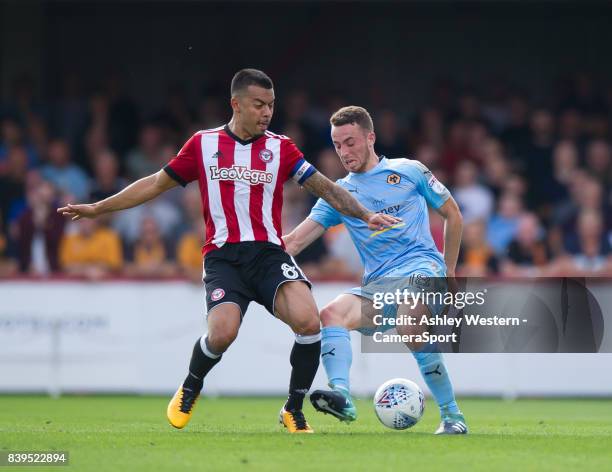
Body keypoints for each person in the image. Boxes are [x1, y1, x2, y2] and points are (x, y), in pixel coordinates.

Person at [57, 69, 397, 433]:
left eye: (271, 105)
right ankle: (190, 387)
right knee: (222, 334)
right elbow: (155, 184)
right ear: (236, 103)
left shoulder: (281, 147)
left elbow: (325, 187)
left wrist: (363, 214)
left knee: (309, 321)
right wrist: (99, 208)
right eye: (259, 104)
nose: (267, 112)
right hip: (223, 258)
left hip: (269, 255)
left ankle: (292, 410)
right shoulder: (203, 145)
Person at [283, 106, 467, 434]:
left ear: (371, 138)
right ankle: (341, 396)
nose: (344, 152)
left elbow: (452, 213)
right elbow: (295, 242)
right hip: (379, 285)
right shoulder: (338, 193)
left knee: (411, 324)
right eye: (337, 145)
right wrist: (248, 250)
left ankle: (452, 417)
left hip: (422, 269)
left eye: (350, 142)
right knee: (331, 314)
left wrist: (449, 270)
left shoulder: (409, 171)